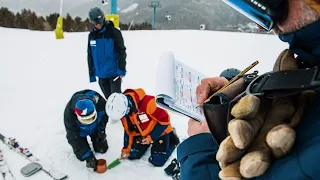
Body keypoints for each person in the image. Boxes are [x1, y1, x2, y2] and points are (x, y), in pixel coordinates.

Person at [177, 0, 320, 179]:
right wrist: (235, 87)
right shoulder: (310, 60)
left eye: (266, 4)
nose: (260, 26)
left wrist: (201, 151)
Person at [105, 88, 180, 167]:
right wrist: (126, 149)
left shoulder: (149, 103)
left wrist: (151, 138)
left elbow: (165, 121)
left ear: (127, 109)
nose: (123, 118)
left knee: (157, 161)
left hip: (160, 131)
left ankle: (173, 140)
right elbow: (128, 131)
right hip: (142, 133)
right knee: (133, 154)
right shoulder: (124, 114)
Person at [87, 7, 127, 99]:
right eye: (94, 22)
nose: (97, 24)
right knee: (109, 101)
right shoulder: (92, 36)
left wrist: (122, 69)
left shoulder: (114, 32)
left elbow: (122, 51)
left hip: (114, 74)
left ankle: (127, 111)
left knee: (116, 100)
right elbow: (90, 55)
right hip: (101, 75)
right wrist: (92, 74)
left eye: (99, 21)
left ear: (103, 19)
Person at [64, 89, 109, 171]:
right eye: (86, 120)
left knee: (102, 149)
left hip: (96, 127)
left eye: (91, 118)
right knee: (82, 156)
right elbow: (73, 137)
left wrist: (101, 130)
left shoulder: (100, 103)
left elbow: (104, 117)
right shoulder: (69, 115)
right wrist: (87, 156)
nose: (88, 122)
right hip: (80, 133)